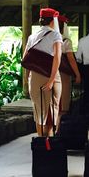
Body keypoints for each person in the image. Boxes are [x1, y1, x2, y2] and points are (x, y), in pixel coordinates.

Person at [23, 8, 62, 136]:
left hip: (34, 77)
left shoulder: (32, 37)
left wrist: (27, 79)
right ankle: (49, 142)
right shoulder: (55, 35)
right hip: (50, 75)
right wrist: (51, 80)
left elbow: (26, 60)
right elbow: (57, 57)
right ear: (52, 21)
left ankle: (41, 142)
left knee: (39, 111)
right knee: (51, 110)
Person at [57, 15, 81, 117]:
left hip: (49, 73)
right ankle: (58, 128)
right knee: (63, 101)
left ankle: (51, 129)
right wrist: (77, 74)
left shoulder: (48, 39)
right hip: (63, 73)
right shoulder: (66, 41)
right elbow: (71, 60)